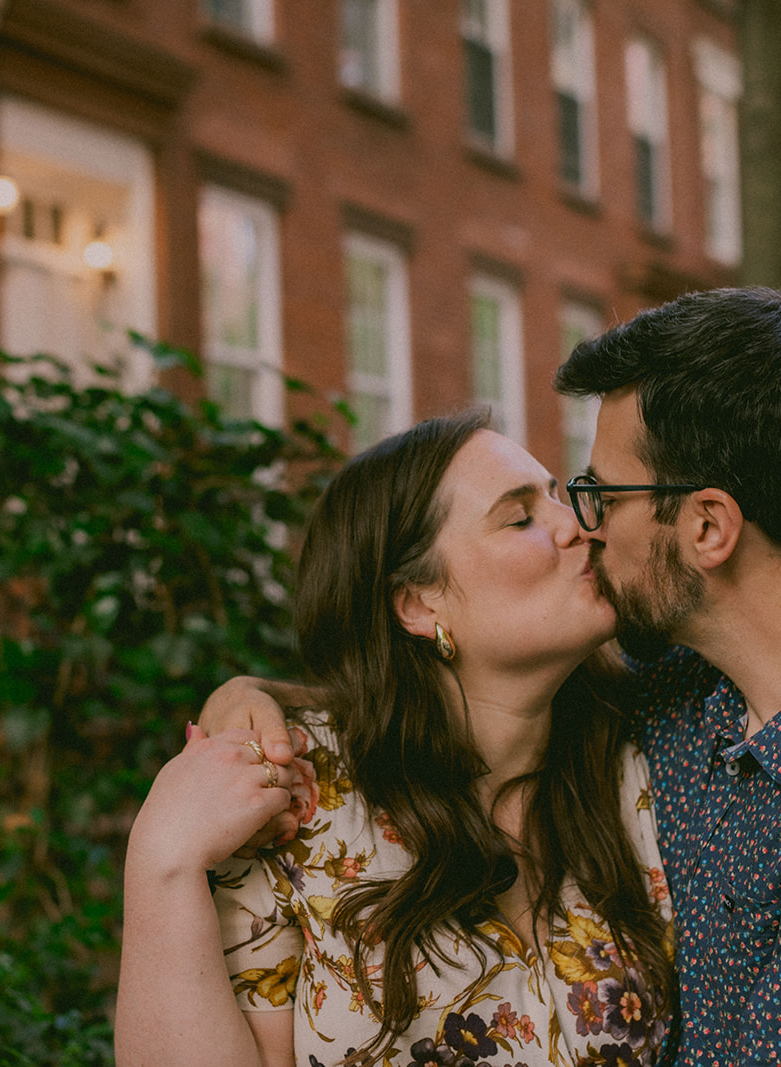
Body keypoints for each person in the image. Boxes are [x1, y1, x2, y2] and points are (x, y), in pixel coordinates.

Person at [203, 288, 781, 1065]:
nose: (585, 528)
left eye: (601, 496)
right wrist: (255, 705)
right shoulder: (686, 695)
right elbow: (445, 695)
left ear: (707, 528)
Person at [115, 412, 676, 1067]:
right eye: (520, 517)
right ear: (418, 604)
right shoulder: (298, 798)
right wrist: (162, 858)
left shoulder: (652, 755)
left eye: (555, 495)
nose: (578, 524)